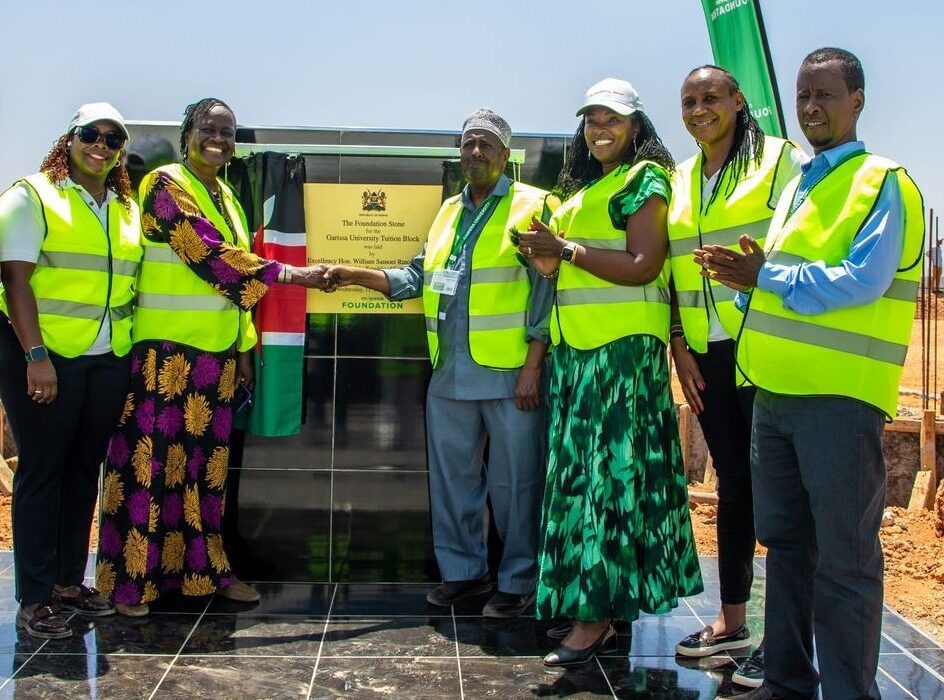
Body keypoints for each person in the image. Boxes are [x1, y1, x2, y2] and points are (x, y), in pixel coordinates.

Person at [700, 48, 923, 700]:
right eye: (802, 97)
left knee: (846, 563)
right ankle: (787, 681)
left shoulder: (883, 181)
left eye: (825, 94)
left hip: (840, 403)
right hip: (775, 397)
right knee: (788, 550)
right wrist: (745, 287)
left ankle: (850, 692)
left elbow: (863, 279)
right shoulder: (799, 186)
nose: (811, 108)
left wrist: (763, 275)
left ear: (858, 100)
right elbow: (780, 283)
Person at [95, 98, 328, 617]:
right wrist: (289, 275)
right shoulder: (164, 184)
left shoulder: (225, 195)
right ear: (187, 134)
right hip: (164, 359)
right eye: (208, 128)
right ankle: (133, 585)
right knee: (149, 472)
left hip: (213, 363)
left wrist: (243, 350)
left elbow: (232, 291)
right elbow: (206, 255)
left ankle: (205, 575)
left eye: (227, 131)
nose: (218, 139)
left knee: (204, 477)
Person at [323, 108, 557, 618]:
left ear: (505, 155)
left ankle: (519, 581)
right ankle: (464, 576)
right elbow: (417, 276)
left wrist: (534, 364)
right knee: (453, 481)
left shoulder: (534, 206)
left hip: (510, 374)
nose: (476, 153)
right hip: (449, 373)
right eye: (468, 144)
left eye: (486, 146)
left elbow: (548, 290)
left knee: (516, 483)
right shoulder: (448, 210)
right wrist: (352, 273)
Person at [515, 78, 703, 666]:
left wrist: (565, 251)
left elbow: (644, 265)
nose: (601, 128)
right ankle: (603, 607)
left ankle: (594, 618)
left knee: (605, 483)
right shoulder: (585, 189)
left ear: (637, 127)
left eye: (613, 119)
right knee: (597, 481)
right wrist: (545, 255)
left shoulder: (643, 180)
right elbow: (579, 266)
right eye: (593, 119)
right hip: (581, 355)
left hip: (619, 358)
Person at [667, 65, 805, 688]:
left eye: (711, 97)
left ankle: (784, 643)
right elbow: (672, 274)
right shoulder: (681, 177)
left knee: (776, 494)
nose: (700, 109)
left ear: (739, 99)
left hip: (765, 350)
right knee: (732, 487)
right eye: (690, 101)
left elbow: (805, 246)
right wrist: (679, 343)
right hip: (707, 357)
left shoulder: (780, 162)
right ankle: (731, 622)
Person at [0, 103, 141, 638]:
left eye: (112, 139)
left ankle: (65, 582)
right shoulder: (32, 196)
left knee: (84, 469)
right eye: (90, 135)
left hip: (106, 358)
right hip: (43, 357)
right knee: (42, 470)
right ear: (70, 138)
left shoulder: (123, 209)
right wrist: (36, 358)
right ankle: (34, 596)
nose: (100, 146)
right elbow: (15, 282)